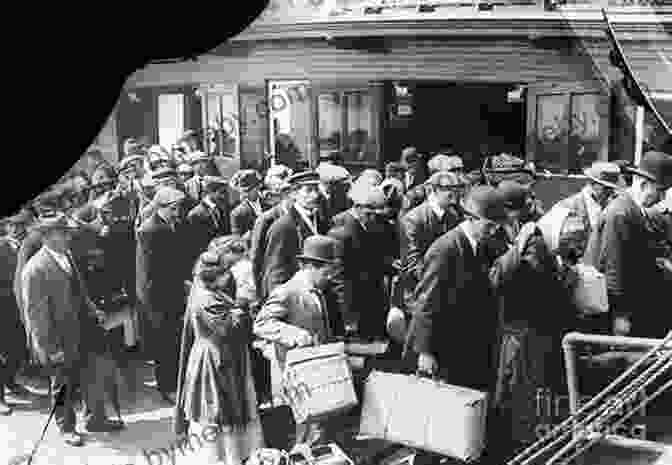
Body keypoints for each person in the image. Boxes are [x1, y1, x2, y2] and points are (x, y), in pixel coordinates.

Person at [21, 212, 122, 446]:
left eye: (67, 232)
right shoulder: (34, 270)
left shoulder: (67, 255)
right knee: (62, 385)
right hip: (58, 338)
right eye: (62, 232)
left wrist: (92, 309)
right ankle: (66, 428)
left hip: (82, 330)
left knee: (90, 376)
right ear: (46, 237)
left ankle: (94, 420)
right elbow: (36, 317)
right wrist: (51, 348)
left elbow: (80, 289)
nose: (68, 236)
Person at [405, 185, 508, 390]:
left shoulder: (482, 244)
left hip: (470, 344)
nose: (493, 231)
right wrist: (425, 353)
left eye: (497, 226)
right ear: (471, 218)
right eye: (489, 226)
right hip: (445, 348)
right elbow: (426, 301)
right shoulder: (445, 249)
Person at [175, 240, 265, 465]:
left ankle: (229, 455)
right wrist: (241, 307)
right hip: (216, 363)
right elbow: (228, 330)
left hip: (221, 358)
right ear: (216, 277)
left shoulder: (209, 293)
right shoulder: (206, 299)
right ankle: (224, 457)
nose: (229, 278)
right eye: (225, 274)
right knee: (219, 412)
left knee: (224, 413)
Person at [253, 235, 341, 446]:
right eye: (326, 272)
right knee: (304, 429)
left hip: (317, 369)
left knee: (320, 428)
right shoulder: (287, 292)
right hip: (297, 373)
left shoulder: (320, 291)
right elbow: (261, 324)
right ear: (309, 266)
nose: (329, 277)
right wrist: (295, 335)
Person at [595, 151, 672, 338]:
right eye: (660, 191)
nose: (662, 198)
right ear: (644, 184)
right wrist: (620, 316)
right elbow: (613, 266)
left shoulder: (635, 210)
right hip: (619, 313)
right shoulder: (621, 213)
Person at [136, 186, 191, 402]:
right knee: (164, 346)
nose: (178, 212)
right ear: (162, 207)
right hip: (159, 298)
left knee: (175, 342)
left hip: (174, 293)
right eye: (174, 208)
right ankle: (166, 386)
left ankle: (175, 382)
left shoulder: (171, 225)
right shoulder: (150, 230)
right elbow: (149, 273)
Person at [328, 183, 390, 340]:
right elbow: (338, 278)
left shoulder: (372, 225)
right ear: (357, 208)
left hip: (372, 305)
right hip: (352, 310)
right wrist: (348, 318)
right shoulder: (340, 233)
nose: (374, 218)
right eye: (370, 214)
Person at [261, 171, 331, 298]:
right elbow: (275, 274)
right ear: (294, 194)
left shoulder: (322, 222)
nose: (315, 195)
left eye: (316, 190)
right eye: (308, 190)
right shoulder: (283, 227)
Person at [186, 176, 232, 266]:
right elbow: (193, 245)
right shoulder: (195, 214)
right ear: (210, 192)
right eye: (222, 193)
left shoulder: (223, 209)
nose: (224, 196)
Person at [230, 170, 265, 241]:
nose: (246, 194)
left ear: (258, 187)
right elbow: (237, 240)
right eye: (244, 191)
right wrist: (245, 238)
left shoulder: (270, 203)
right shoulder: (237, 213)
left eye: (249, 190)